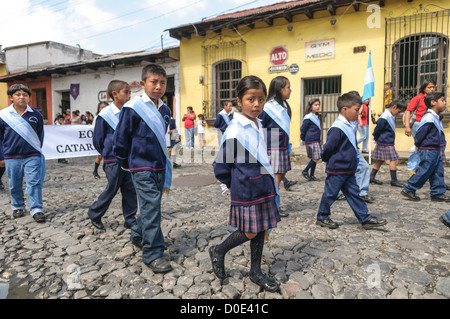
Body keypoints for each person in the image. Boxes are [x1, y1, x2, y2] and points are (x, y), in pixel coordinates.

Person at [211, 75, 280, 292]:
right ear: (239, 101)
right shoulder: (235, 131)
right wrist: (236, 183)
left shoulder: (259, 124)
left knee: (260, 229)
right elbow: (221, 167)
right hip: (246, 190)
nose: (257, 104)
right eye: (251, 99)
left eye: (261, 99)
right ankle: (219, 250)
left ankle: (256, 271)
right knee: (250, 231)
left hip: (262, 186)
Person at [113, 63, 172, 273]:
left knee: (149, 207)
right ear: (142, 83)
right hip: (141, 167)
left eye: (162, 83)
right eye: (154, 82)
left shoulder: (165, 109)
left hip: (159, 165)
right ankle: (152, 253)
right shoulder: (133, 107)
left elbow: (164, 136)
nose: (158, 86)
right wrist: (125, 162)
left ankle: (138, 235)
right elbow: (121, 138)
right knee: (152, 208)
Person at [316, 93, 387, 230]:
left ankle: (364, 218)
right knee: (330, 194)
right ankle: (322, 216)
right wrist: (326, 158)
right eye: (356, 110)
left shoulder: (349, 125)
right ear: (344, 109)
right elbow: (328, 147)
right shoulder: (337, 128)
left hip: (348, 169)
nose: (358, 113)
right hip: (337, 169)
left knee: (354, 194)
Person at [87, 80, 138, 230]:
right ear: (115, 94)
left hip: (128, 159)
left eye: (130, 92)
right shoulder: (104, 116)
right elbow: (98, 140)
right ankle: (94, 213)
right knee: (112, 188)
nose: (129, 96)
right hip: (113, 160)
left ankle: (130, 219)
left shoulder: (129, 112)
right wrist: (108, 153)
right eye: (126, 92)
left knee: (130, 190)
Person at [0, 84, 46, 223]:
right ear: (11, 98)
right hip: (11, 155)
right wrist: (1, 156)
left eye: (25, 95)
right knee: (14, 183)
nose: (22, 97)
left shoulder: (36, 115)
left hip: (32, 154)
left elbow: (40, 135)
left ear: (29, 98)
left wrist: (37, 151)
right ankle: (17, 206)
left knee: (34, 182)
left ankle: (36, 209)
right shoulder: (3, 115)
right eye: (18, 94)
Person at [401, 92, 449, 202]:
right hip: (428, 149)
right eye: (442, 100)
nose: (445, 103)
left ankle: (437, 193)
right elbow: (420, 133)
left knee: (438, 171)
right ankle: (409, 189)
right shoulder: (429, 118)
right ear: (433, 103)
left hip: (436, 149)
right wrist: (418, 144)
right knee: (425, 170)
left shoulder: (435, 117)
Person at [370, 100, 407, 187]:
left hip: (386, 141)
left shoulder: (389, 116)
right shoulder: (384, 117)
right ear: (394, 107)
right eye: (398, 112)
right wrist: (375, 137)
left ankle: (371, 177)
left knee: (380, 160)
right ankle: (394, 180)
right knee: (393, 159)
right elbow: (377, 129)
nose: (398, 114)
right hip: (385, 142)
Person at [404, 79, 436, 174]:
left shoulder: (433, 100)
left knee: (425, 146)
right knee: (419, 146)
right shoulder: (418, 98)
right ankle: (412, 167)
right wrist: (407, 127)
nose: (432, 89)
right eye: (429, 87)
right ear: (424, 88)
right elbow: (408, 111)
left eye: (433, 87)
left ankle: (419, 167)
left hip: (429, 124)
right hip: (418, 124)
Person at [300, 98, 321, 181]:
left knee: (314, 158)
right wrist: (303, 138)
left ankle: (312, 175)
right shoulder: (308, 117)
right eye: (315, 105)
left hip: (316, 139)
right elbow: (303, 129)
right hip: (311, 139)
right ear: (311, 106)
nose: (318, 106)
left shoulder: (316, 116)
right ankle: (305, 171)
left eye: (318, 105)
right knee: (317, 157)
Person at [93, 102, 108, 179]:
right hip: (100, 138)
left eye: (105, 107)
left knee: (102, 156)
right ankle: (95, 170)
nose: (103, 108)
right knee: (100, 156)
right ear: (99, 108)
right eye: (102, 107)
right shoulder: (97, 117)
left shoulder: (109, 116)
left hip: (106, 138)